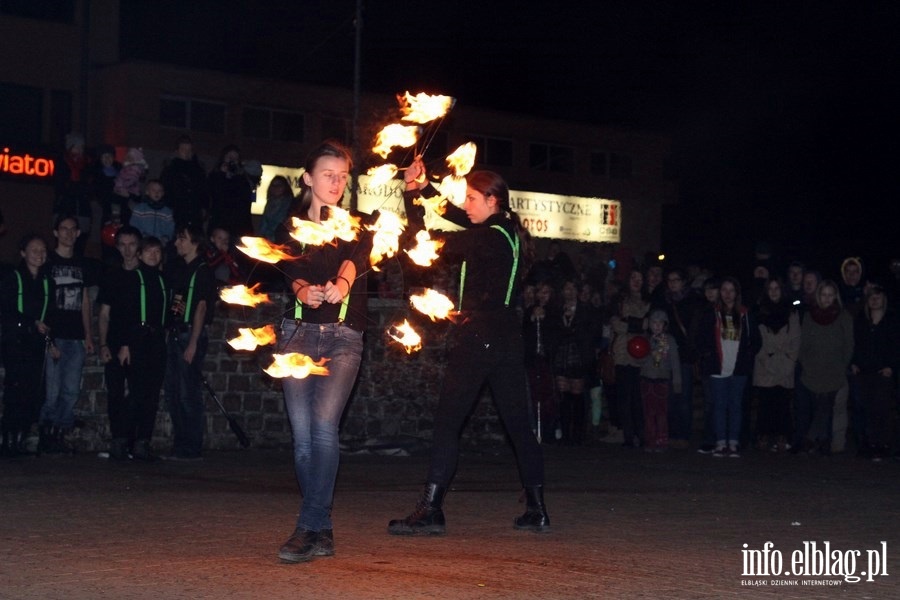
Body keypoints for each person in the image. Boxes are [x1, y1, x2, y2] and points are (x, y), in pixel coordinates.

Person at [388, 158, 549, 537]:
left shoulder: (486, 238)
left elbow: (422, 243)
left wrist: (412, 199)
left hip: (479, 337)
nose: (466, 205)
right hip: (509, 338)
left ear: (493, 200)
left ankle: (431, 509)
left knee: (447, 422)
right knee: (519, 427)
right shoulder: (505, 229)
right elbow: (456, 217)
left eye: (473, 198)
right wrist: (424, 187)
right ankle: (538, 510)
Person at [274, 141, 374, 563]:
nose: (335, 182)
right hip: (297, 334)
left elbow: (356, 258)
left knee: (323, 427)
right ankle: (323, 528)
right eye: (327, 174)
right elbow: (289, 273)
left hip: (342, 337)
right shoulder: (289, 227)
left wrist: (342, 284)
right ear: (308, 178)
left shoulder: (361, 224)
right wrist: (305, 290)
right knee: (301, 443)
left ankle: (306, 527)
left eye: (342, 176)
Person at [97, 227, 168, 461]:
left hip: (148, 342)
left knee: (145, 393)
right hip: (121, 341)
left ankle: (138, 442)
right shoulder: (115, 276)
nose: (127, 250)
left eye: (132, 244)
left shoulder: (155, 278)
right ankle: (121, 441)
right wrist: (105, 344)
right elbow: (109, 314)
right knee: (120, 393)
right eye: (123, 245)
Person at [39, 216, 96, 454]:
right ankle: (46, 434)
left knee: (71, 390)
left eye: (73, 229)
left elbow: (84, 300)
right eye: (64, 229)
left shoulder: (82, 263)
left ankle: (60, 434)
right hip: (54, 334)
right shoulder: (47, 261)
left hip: (75, 336)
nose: (68, 233)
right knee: (51, 391)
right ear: (55, 232)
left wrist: (88, 335)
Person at [163, 224, 215, 461]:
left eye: (181, 238)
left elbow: (201, 307)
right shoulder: (181, 268)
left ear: (194, 241)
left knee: (187, 392)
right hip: (176, 334)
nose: (177, 243)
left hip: (189, 336)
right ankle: (181, 443)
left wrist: (193, 342)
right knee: (174, 391)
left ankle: (191, 447)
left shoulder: (202, 271)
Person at [0, 234, 54, 457]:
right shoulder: (13, 277)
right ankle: (8, 441)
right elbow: (6, 309)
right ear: (23, 253)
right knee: (15, 390)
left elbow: (52, 313)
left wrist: (52, 341)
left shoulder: (46, 281)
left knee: (34, 392)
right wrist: (31, 322)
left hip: (36, 343)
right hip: (16, 341)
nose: (39, 255)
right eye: (34, 250)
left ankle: (20, 438)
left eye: (42, 250)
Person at [695, 276, 760, 458]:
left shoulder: (745, 314)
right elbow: (701, 337)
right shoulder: (712, 313)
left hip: (738, 368)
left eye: (731, 290)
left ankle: (733, 442)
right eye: (724, 290)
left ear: (737, 293)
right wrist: (708, 355)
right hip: (718, 367)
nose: (727, 294)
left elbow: (756, 340)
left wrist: (747, 356)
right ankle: (720, 442)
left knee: (735, 406)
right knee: (719, 406)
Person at [795, 280, 853, 456]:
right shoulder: (809, 316)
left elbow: (849, 345)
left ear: (835, 296)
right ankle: (819, 441)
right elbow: (803, 344)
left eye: (830, 295)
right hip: (813, 370)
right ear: (818, 296)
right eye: (823, 295)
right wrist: (805, 363)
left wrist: (842, 365)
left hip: (834, 370)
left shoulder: (843, 316)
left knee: (827, 405)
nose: (827, 299)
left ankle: (812, 439)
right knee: (820, 407)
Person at [849, 284, 899, 461]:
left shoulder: (892, 319)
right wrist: (854, 362)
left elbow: (895, 345)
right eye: (871, 297)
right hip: (863, 371)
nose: (875, 300)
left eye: (878, 297)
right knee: (864, 409)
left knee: (882, 409)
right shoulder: (861, 319)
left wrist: (891, 366)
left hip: (882, 371)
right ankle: (867, 444)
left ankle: (883, 444)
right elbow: (855, 343)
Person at [751, 278, 800, 453]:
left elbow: (795, 339)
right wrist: (767, 358)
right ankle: (763, 434)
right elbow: (757, 341)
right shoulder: (758, 312)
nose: (773, 292)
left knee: (783, 403)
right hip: (765, 364)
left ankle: (783, 435)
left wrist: (789, 361)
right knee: (765, 403)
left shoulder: (791, 312)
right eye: (770, 288)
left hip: (785, 363)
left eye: (777, 288)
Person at [662, 267, 702, 449]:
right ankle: (672, 433)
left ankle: (683, 435)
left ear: (683, 281)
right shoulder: (666, 302)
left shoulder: (692, 301)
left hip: (684, 356)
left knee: (683, 396)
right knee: (671, 397)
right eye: (670, 280)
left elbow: (693, 330)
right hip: (669, 356)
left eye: (676, 280)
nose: (672, 283)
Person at [610, 269, 650, 448]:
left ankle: (642, 434)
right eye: (633, 277)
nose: (636, 281)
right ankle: (627, 436)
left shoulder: (648, 301)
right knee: (624, 398)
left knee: (638, 398)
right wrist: (637, 324)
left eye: (640, 278)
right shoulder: (619, 301)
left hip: (642, 355)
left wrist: (630, 323)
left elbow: (648, 325)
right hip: (622, 355)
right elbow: (616, 324)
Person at [552, 279, 594, 445]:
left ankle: (578, 433)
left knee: (577, 395)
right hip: (562, 354)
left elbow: (591, 332)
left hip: (578, 354)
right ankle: (565, 432)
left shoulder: (585, 309)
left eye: (571, 288)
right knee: (564, 394)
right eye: (566, 288)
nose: (568, 292)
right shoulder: (558, 310)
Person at [638, 309, 681, 451]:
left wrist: (677, 382)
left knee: (661, 412)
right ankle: (650, 440)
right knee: (648, 412)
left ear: (665, 324)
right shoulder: (645, 339)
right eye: (654, 322)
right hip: (646, 379)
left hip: (662, 381)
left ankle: (662, 440)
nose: (657, 326)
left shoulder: (669, 340)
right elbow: (640, 359)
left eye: (660, 323)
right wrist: (645, 353)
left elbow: (675, 362)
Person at [52, 133, 92, 256]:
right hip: (65, 208)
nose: (79, 150)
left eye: (81, 147)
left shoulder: (87, 165)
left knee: (80, 242)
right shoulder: (62, 163)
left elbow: (90, 186)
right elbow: (60, 185)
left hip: (82, 210)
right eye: (76, 147)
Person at [159, 135, 209, 228]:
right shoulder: (170, 168)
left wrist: (204, 207)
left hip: (195, 210)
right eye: (183, 149)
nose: (186, 152)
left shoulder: (198, 169)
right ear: (177, 151)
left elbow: (204, 190)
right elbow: (165, 188)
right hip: (177, 210)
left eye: (189, 149)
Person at [207, 145, 255, 238]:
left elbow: (245, 200)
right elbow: (213, 194)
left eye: (235, 158)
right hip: (220, 224)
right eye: (229, 157)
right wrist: (221, 174)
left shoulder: (244, 178)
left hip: (239, 227)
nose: (232, 161)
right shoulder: (215, 175)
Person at [129, 179, 175, 247]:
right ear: (147, 192)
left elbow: (170, 228)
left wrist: (165, 238)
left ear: (163, 193)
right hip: (143, 243)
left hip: (160, 244)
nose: (157, 193)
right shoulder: (139, 208)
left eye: (160, 191)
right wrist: (143, 236)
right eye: (153, 190)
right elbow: (134, 225)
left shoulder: (167, 211)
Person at [258, 175, 295, 241]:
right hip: (267, 239)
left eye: (279, 185)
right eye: (273, 185)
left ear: (285, 187)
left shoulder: (291, 203)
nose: (276, 188)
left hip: (283, 238)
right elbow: (264, 222)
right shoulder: (269, 203)